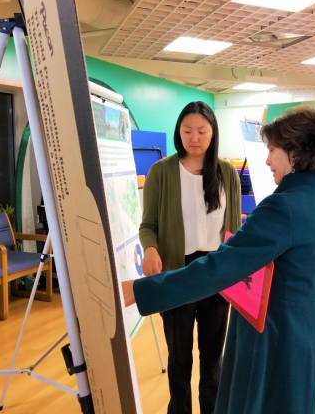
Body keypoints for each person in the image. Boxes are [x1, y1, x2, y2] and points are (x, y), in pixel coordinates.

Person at [124, 108, 315, 414]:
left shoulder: (284, 207)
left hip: (274, 332)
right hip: (310, 329)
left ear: (295, 152)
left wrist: (139, 290)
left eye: (272, 151)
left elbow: (218, 267)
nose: (267, 161)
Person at [139, 101, 241, 414]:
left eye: (201, 131)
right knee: (179, 360)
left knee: (212, 360)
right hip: (178, 275)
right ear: (178, 132)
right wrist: (150, 248)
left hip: (215, 275)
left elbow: (234, 232)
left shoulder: (226, 173)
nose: (193, 137)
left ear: (213, 134)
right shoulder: (161, 171)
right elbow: (148, 226)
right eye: (187, 131)